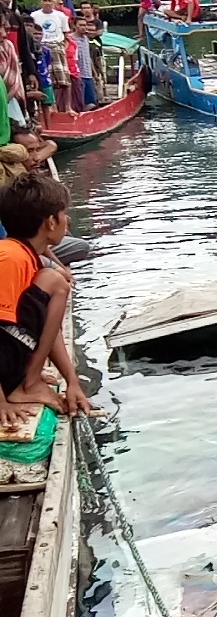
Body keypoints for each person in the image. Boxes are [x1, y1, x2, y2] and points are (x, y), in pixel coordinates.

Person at [0, 172, 91, 426]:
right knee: (54, 281)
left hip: (7, 359)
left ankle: (30, 379)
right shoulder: (11, 258)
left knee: (52, 280)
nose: (67, 220)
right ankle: (28, 384)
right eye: (63, 214)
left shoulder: (26, 257)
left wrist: (72, 381)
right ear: (51, 222)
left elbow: (50, 329)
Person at [30, 0, 69, 115]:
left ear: (53, 1)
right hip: (40, 47)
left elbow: (66, 35)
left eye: (49, 0)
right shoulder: (34, 15)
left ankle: (67, 107)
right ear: (40, 1)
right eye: (44, 0)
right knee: (47, 79)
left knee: (64, 80)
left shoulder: (61, 16)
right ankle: (50, 107)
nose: (47, 3)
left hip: (57, 46)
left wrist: (64, 49)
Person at [69, 16, 93, 109]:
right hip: (78, 75)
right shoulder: (71, 39)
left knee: (91, 101)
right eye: (81, 25)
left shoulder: (86, 39)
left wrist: (94, 73)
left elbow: (88, 57)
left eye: (85, 25)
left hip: (88, 74)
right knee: (79, 101)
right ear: (75, 26)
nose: (84, 27)